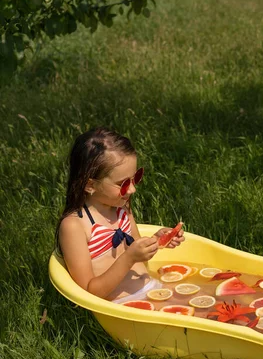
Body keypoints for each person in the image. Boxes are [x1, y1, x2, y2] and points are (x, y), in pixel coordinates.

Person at [56, 127, 184, 302]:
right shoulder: (75, 226)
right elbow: (88, 291)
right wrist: (129, 258)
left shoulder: (122, 211)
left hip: (154, 290)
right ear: (90, 185)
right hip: (125, 306)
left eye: (135, 178)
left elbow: (141, 258)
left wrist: (158, 240)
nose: (133, 189)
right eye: (123, 184)